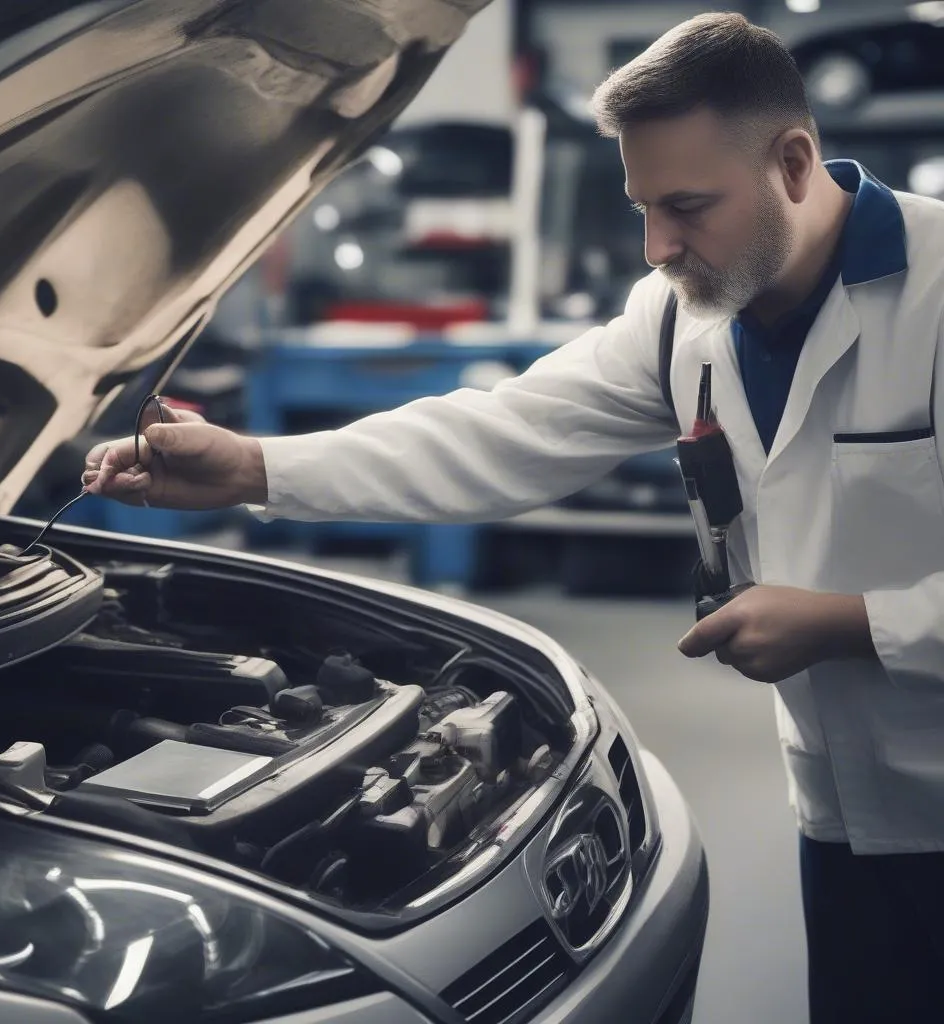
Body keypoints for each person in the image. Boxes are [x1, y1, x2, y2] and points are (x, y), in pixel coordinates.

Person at [84, 12, 944, 1021]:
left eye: (687, 206)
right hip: (842, 805)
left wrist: (847, 623)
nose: (655, 244)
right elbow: (500, 432)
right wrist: (254, 467)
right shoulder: (681, 313)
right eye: (639, 206)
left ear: (793, 162)